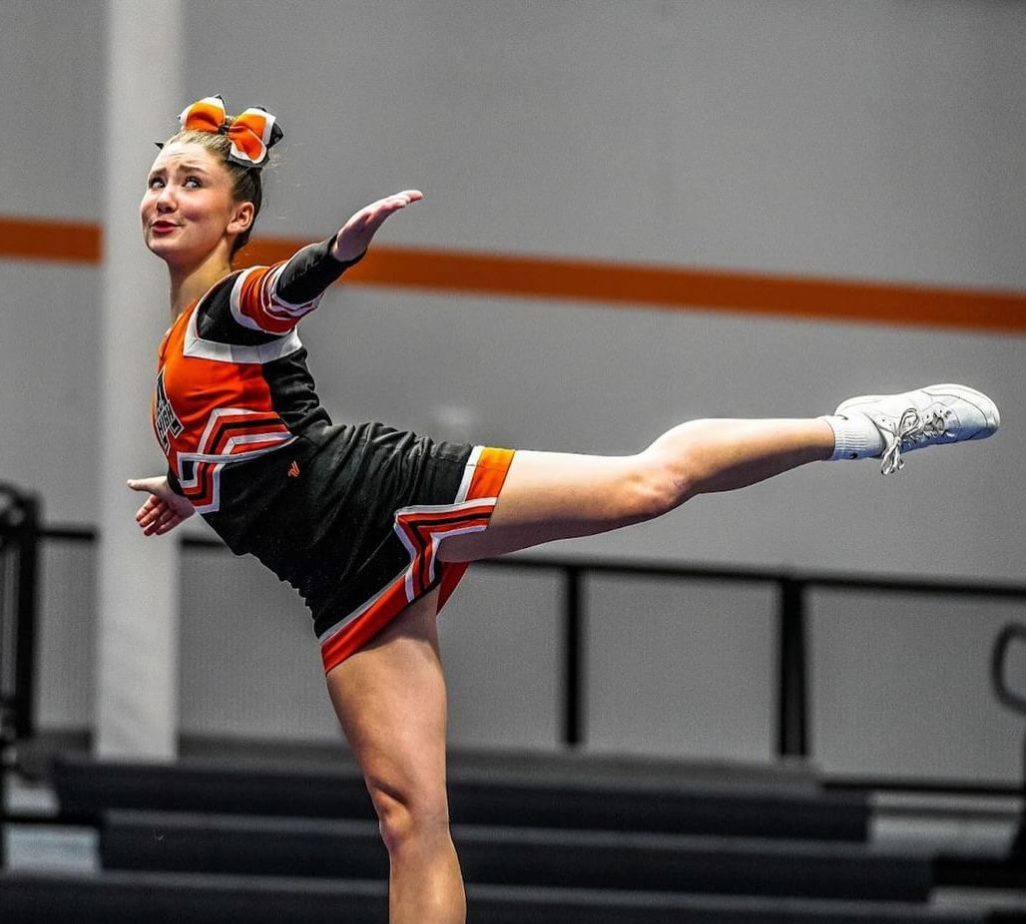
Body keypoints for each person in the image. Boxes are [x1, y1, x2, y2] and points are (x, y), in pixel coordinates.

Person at [129, 96, 1000, 924]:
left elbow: (279, 295)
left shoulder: (225, 305)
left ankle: (858, 429)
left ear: (237, 217)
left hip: (379, 498)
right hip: (339, 579)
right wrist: (189, 489)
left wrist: (338, 251)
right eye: (158, 181)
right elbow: (240, 441)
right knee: (407, 817)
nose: (164, 197)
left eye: (188, 183)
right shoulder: (175, 339)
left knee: (644, 486)